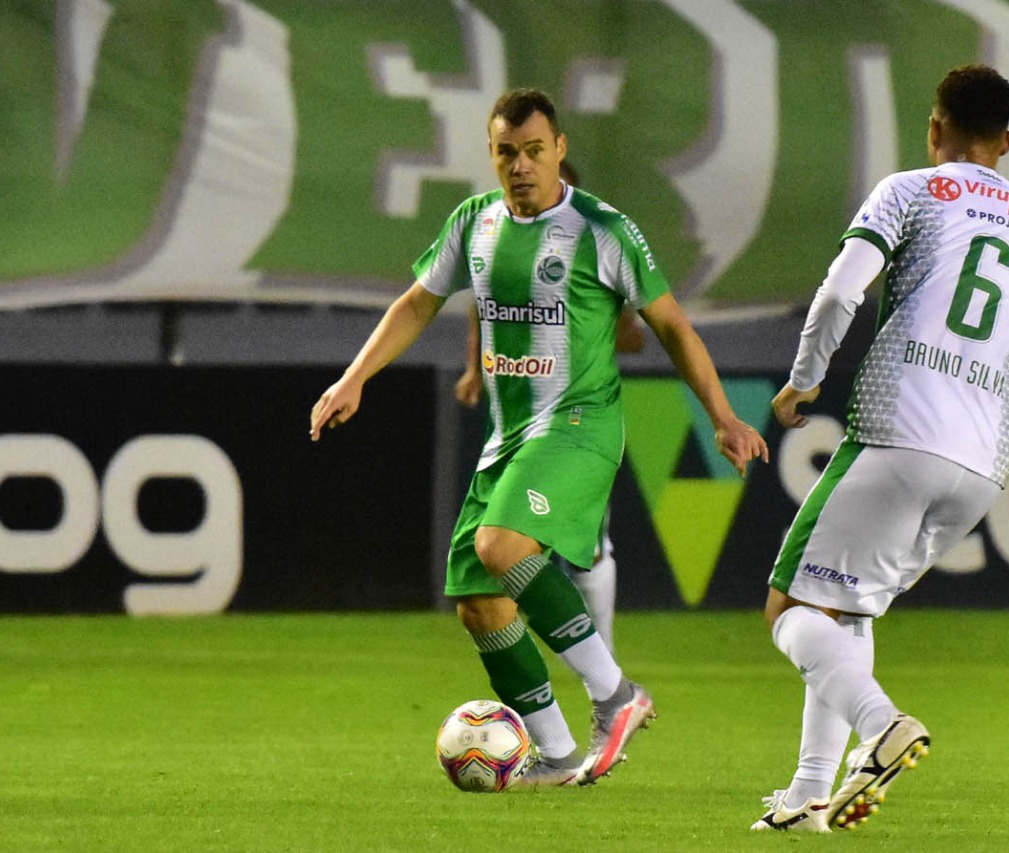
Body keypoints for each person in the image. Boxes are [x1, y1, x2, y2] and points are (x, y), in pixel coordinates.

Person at [311, 87, 768, 786]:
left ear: (559, 150)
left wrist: (721, 415)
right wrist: (354, 379)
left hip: (582, 422)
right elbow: (415, 302)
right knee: (478, 599)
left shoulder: (602, 228)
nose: (520, 165)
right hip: (511, 436)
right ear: (491, 155)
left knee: (500, 546)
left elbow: (672, 324)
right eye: (506, 153)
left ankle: (616, 693)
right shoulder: (475, 222)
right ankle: (555, 753)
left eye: (533, 150)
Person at [751, 64, 1009, 832]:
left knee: (789, 605)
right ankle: (811, 795)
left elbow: (843, 289)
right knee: (844, 604)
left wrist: (803, 380)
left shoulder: (911, 189)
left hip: (896, 430)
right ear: (1006, 141)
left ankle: (880, 724)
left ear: (934, 127)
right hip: (983, 467)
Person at [454, 159, 642, 653]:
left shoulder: (598, 245)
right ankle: (587, 665)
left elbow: (635, 336)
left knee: (586, 549)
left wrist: (588, 322)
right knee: (508, 546)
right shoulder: (498, 243)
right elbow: (481, 305)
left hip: (578, 422)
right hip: (515, 418)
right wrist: (475, 368)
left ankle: (603, 661)